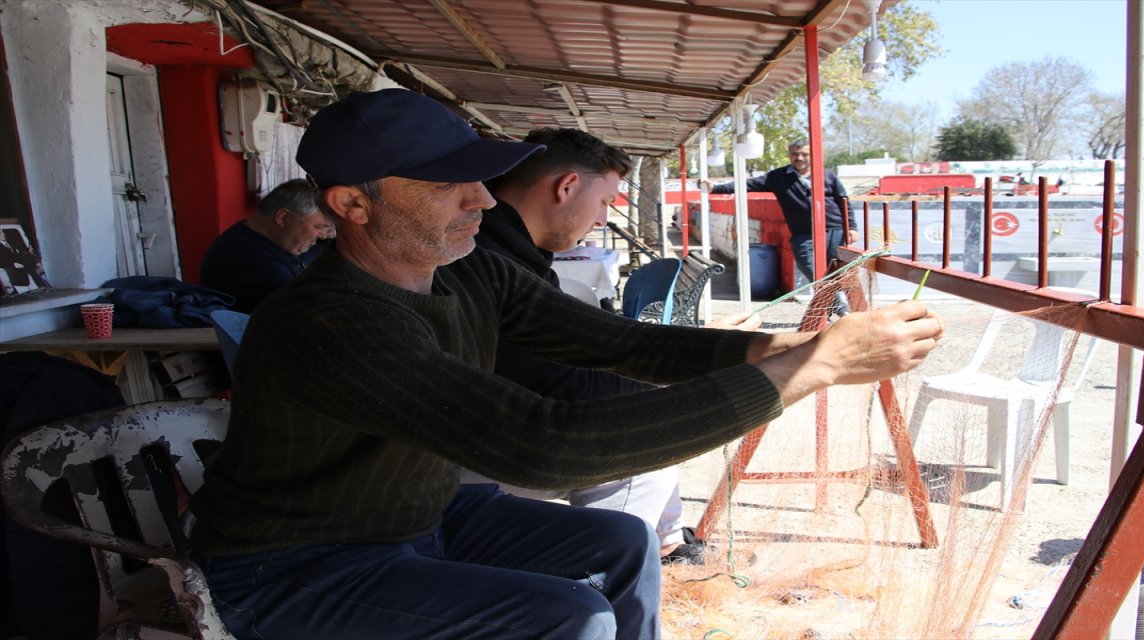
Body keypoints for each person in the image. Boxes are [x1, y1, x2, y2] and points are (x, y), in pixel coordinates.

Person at [187, 88, 943, 639]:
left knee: (621, 541)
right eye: (450, 185)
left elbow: (621, 343)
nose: (483, 200)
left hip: (417, 518)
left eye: (480, 178)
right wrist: (804, 374)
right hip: (294, 565)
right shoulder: (331, 320)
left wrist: (783, 348)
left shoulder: (464, 270)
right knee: (569, 616)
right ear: (352, 205)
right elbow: (544, 447)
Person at [463, 127, 750, 564]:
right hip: (457, 458)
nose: (601, 220)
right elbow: (558, 380)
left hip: (471, 436)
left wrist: (692, 355)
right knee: (645, 445)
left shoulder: (508, 249)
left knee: (646, 425)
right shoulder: (490, 259)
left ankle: (662, 548)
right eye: (604, 202)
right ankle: (601, 580)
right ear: (567, 186)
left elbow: (588, 346)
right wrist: (668, 389)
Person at [710, 139, 856, 285]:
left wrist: (852, 227)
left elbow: (843, 200)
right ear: (789, 155)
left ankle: (834, 303)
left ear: (812, 155)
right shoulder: (778, 177)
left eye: (804, 154)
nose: (799, 158)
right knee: (808, 265)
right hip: (803, 232)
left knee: (836, 269)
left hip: (834, 229)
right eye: (794, 154)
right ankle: (833, 300)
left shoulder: (826, 174)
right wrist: (716, 188)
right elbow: (748, 184)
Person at [199, 178, 333, 312]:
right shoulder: (241, 255)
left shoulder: (287, 240)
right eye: (318, 227)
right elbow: (312, 307)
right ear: (282, 217)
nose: (323, 235)